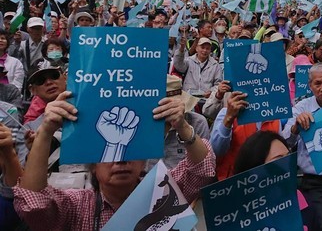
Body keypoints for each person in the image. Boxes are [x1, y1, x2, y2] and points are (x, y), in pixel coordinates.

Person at [13, 91, 216, 231]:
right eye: (109, 152)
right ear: (92, 166)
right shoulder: (76, 205)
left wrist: (181, 126)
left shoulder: (164, 193)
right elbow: (34, 203)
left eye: (129, 150)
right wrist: (47, 129)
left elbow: (202, 167)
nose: (120, 160)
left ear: (144, 160)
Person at [282, 63, 322, 231]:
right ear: (310, 85)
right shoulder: (301, 108)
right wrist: (296, 127)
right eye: (318, 84)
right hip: (315, 184)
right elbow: (285, 142)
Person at [209, 90, 283, 180]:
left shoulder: (274, 117)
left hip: (266, 180)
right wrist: (229, 119)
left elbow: (280, 153)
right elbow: (216, 151)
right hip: (233, 181)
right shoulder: (227, 113)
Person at [173, 35, 223, 100]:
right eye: (202, 47)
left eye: (207, 48)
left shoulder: (215, 65)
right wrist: (181, 49)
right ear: (197, 48)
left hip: (206, 99)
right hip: (189, 98)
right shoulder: (188, 61)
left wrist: (211, 91)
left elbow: (218, 83)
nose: (205, 50)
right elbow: (178, 65)